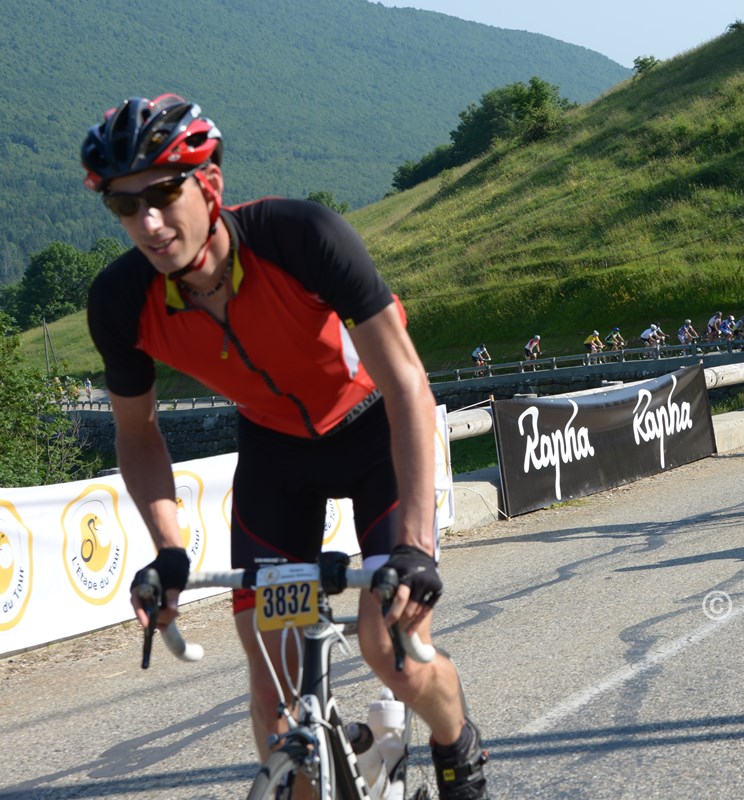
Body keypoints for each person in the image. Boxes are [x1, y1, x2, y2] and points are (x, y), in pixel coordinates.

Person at [80, 94, 488, 799]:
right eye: (123, 205)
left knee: (393, 653)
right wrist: (169, 551)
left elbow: (408, 386)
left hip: (374, 438)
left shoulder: (302, 236)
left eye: (163, 193)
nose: (146, 222)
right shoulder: (121, 303)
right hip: (276, 460)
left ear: (209, 183)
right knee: (277, 710)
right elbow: (138, 432)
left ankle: (458, 752)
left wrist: (417, 546)